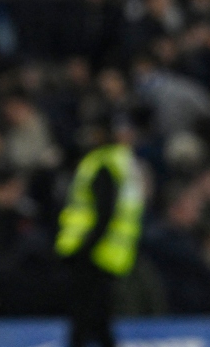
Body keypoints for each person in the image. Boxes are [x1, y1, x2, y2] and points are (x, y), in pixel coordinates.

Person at [54, 117, 144, 347]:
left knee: (84, 320)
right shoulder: (122, 162)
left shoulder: (101, 163)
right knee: (99, 321)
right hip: (111, 254)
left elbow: (105, 213)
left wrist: (84, 248)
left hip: (93, 255)